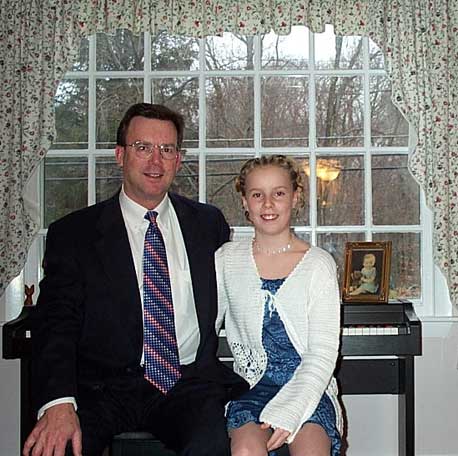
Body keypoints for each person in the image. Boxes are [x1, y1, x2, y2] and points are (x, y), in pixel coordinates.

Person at [24, 103, 247, 456]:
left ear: (178, 158)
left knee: (214, 444)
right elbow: (56, 322)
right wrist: (58, 402)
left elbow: (245, 287)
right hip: (101, 389)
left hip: (187, 383)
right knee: (59, 448)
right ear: (119, 155)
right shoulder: (75, 234)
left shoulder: (208, 224)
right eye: (143, 148)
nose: (155, 162)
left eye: (167, 149)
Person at [215, 155, 343, 456]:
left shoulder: (318, 265)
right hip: (251, 387)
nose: (268, 204)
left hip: (308, 388)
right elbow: (202, 327)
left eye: (279, 193)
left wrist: (291, 411)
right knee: (247, 449)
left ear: (295, 197)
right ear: (245, 202)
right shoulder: (226, 260)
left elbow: (323, 354)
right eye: (257, 195)